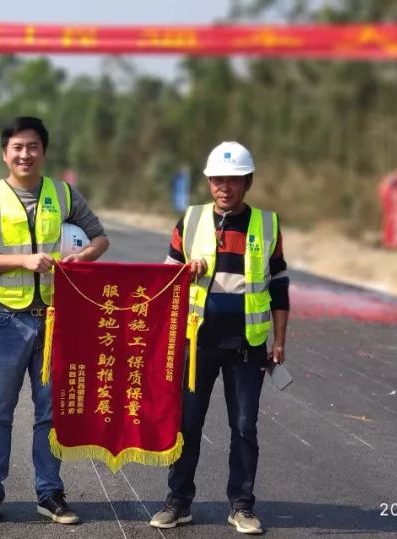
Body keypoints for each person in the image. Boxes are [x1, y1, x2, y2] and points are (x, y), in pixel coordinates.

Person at [0, 116, 109, 526]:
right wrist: (23, 260)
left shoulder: (63, 194)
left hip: (54, 318)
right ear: (4, 153)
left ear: (43, 151)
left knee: (49, 412)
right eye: (17, 147)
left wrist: (83, 257)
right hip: (7, 320)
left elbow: (99, 237)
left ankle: (50, 493)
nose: (25, 154)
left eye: (32, 147)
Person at [149, 141, 289, 535]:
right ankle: (178, 502)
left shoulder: (267, 225)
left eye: (232, 180)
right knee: (187, 423)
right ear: (208, 182)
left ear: (248, 182)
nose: (224, 187)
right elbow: (164, 280)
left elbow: (279, 286)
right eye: (216, 180)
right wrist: (184, 272)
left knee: (244, 427)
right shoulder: (191, 220)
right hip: (197, 343)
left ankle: (242, 506)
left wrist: (279, 340)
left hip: (247, 345)